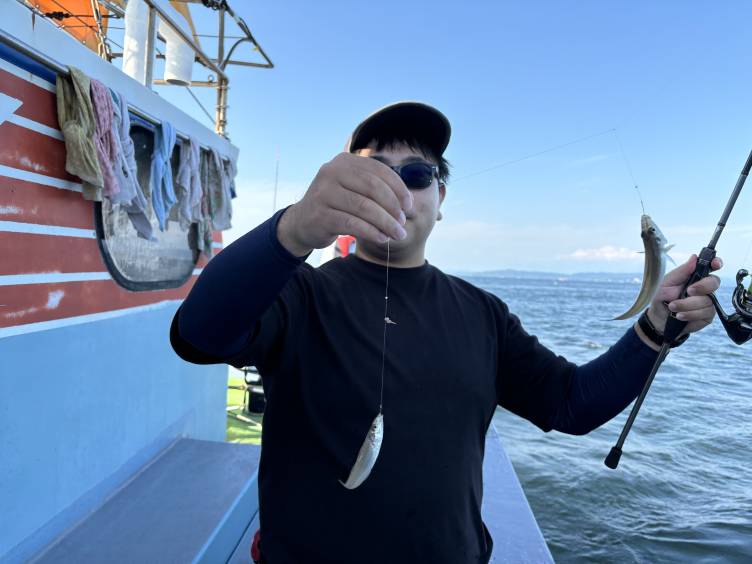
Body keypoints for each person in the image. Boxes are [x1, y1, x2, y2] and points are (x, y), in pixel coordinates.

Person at [170, 102, 722, 564]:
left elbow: (571, 404)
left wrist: (655, 327)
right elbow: (197, 335)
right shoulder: (300, 293)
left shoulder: (483, 314)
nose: (395, 189)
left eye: (415, 175)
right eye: (373, 173)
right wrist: (293, 229)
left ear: (441, 200)